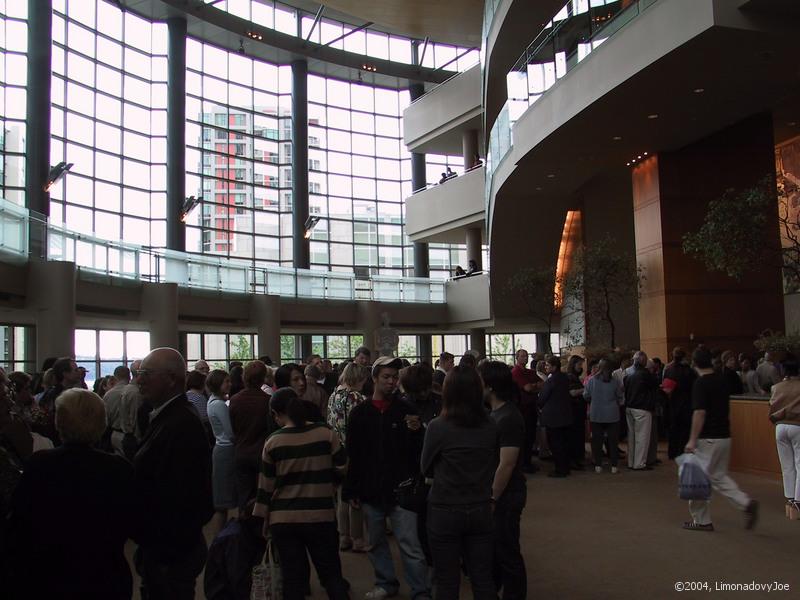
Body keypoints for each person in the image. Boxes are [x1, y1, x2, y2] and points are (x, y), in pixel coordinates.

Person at [6, 388, 136, 600]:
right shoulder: (118, 468)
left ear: (60, 423)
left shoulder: (41, 465)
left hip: (49, 574)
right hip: (105, 575)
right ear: (101, 423)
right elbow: (133, 522)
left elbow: (20, 522)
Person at [343, 356, 431, 600]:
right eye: (386, 377)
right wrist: (351, 490)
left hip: (402, 489)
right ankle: (385, 582)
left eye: (394, 378)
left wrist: (416, 433)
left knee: (410, 545)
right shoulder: (360, 414)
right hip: (371, 489)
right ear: (374, 379)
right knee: (376, 542)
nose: (391, 382)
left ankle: (420, 590)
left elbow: (418, 453)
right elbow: (354, 453)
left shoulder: (407, 411)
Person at [132, 347, 214, 599]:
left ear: (170, 379)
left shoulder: (180, 424)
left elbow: (179, 495)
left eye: (146, 373)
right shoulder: (166, 415)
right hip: (165, 545)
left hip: (171, 548)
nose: (139, 379)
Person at [254, 388, 350, 600]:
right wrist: (328, 481)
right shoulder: (325, 433)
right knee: (332, 575)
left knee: (293, 580)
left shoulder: (273, 442)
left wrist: (263, 519)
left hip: (284, 519)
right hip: (321, 515)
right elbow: (342, 465)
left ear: (276, 414)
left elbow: (265, 486)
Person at [421, 366, 499, 600]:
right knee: (483, 578)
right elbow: (495, 461)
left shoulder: (438, 426)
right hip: (480, 506)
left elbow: (424, 466)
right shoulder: (491, 425)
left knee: (446, 580)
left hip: (444, 507)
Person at [683, 347, 759, 532]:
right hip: (724, 436)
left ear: (694, 364)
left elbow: (700, 412)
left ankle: (702, 521)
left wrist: (692, 440)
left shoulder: (700, 384)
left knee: (696, 481)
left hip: (707, 439)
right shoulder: (722, 381)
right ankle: (745, 503)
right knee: (719, 477)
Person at [481, 361, 527, 600]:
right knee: (496, 551)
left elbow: (507, 463)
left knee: (508, 551)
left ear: (489, 386)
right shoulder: (495, 414)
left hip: (507, 495)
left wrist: (492, 497)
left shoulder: (508, 416)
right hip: (498, 494)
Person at [327, 362, 370, 553]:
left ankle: (343, 536)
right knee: (356, 497)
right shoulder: (356, 397)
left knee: (342, 495)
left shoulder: (334, 394)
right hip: (355, 450)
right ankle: (358, 539)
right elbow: (363, 426)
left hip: (336, 450)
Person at [229, 360, 274, 512]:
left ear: (244, 377)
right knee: (262, 498)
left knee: (244, 497)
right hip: (262, 454)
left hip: (241, 452)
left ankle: (243, 530)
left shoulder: (234, 401)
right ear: (263, 378)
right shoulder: (268, 401)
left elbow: (233, 428)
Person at [768, 360, 800, 519]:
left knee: (787, 466)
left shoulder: (776, 387)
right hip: (798, 426)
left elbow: (771, 406)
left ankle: (790, 500)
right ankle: (798, 503)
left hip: (780, 427)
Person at [206, 369, 237, 535]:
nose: (230, 384)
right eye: (226, 381)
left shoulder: (213, 401)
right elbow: (230, 432)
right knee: (223, 500)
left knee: (222, 499)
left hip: (221, 449)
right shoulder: (219, 405)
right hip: (226, 450)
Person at [584, 359, 623, 473]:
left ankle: (598, 465)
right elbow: (620, 397)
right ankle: (614, 466)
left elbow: (586, 396)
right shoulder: (615, 381)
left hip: (596, 414)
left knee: (597, 441)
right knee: (613, 441)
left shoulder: (591, 381)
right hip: (612, 414)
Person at [538, 356, 573, 477]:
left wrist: (539, 404)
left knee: (555, 444)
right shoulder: (565, 377)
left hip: (553, 416)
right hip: (565, 414)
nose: (546, 367)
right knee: (564, 443)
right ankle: (565, 467)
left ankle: (560, 469)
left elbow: (543, 397)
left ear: (554, 366)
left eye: (547, 365)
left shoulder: (551, 380)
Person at [623, 351, 658, 471]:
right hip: (642, 408)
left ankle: (631, 462)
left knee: (631, 437)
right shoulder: (645, 374)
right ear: (644, 361)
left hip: (629, 407)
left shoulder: (628, 374)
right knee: (642, 437)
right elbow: (655, 386)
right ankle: (639, 463)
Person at [511, 349, 541, 473]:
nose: (525, 358)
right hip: (522, 409)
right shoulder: (516, 372)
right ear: (517, 358)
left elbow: (543, 383)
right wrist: (535, 386)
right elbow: (528, 388)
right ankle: (524, 464)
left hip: (532, 408)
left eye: (526, 356)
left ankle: (528, 462)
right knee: (525, 438)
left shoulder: (530, 372)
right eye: (522, 356)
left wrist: (534, 386)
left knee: (531, 437)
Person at [103, 366, 131, 458]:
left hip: (116, 433)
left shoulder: (109, 394)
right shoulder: (135, 392)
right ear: (129, 376)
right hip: (133, 434)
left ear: (115, 377)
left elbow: (106, 419)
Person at [566, 355, 587, 470]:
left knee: (579, 436)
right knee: (574, 436)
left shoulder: (575, 377)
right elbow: (572, 393)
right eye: (579, 365)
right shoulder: (570, 377)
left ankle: (577, 458)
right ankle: (574, 459)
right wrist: (585, 389)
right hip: (574, 411)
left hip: (578, 411)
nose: (581, 367)